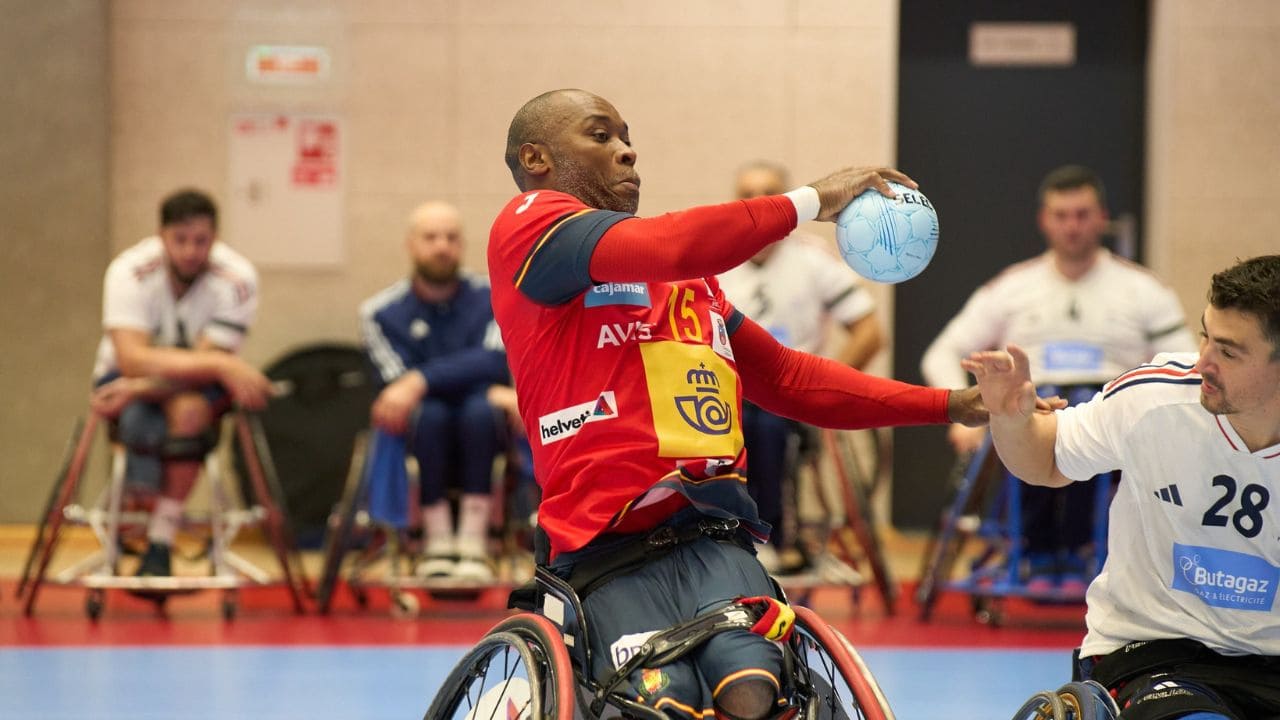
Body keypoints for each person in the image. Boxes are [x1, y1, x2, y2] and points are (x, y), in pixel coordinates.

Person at [488, 88, 989, 720]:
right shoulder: (528, 225)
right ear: (536, 157)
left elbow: (790, 376)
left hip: (712, 535)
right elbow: (670, 242)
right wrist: (812, 199)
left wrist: (950, 404)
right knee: (661, 700)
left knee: (754, 688)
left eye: (626, 136)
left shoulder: (689, 286)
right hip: (602, 546)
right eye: (601, 135)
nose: (626, 150)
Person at [964, 254, 1280, 720]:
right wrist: (1011, 417)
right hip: (1154, 651)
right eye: (1205, 336)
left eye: (1229, 352)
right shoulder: (1153, 398)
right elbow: (1046, 460)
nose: (1204, 363)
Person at [921, 165, 1196, 593]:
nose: (1072, 226)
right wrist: (961, 415)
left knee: (1089, 406)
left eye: (1082, 214)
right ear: (1044, 220)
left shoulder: (1143, 289)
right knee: (1030, 410)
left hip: (1109, 411)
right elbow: (941, 352)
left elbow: (1186, 364)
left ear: (1101, 219)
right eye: (1062, 215)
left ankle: (1084, 546)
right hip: (1030, 407)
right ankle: (1036, 546)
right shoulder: (1011, 287)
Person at [88, 189, 272, 579]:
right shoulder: (128, 271)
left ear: (216, 238)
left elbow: (200, 370)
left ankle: (160, 540)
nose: (190, 251)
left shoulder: (237, 279)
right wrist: (220, 364)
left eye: (201, 241)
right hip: (120, 379)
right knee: (132, 410)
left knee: (189, 410)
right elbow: (132, 360)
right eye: (180, 240)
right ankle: (131, 516)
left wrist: (143, 386)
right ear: (161, 236)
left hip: (181, 389)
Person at [718, 160, 884, 573]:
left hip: (787, 393)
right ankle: (720, 535)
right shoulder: (713, 257)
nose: (757, 205)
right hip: (724, 390)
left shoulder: (813, 259)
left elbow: (870, 333)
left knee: (770, 423)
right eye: (746, 196)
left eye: (767, 193)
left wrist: (822, 384)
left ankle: (774, 533)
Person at [360, 200, 511, 581]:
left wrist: (420, 380)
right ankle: (435, 538)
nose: (441, 246)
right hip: (420, 429)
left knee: (480, 411)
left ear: (462, 246)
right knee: (432, 414)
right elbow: (394, 386)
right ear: (411, 244)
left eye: (451, 237)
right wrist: (423, 385)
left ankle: (475, 541)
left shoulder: (494, 298)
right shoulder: (379, 313)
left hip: (485, 421)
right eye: (430, 237)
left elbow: (496, 361)